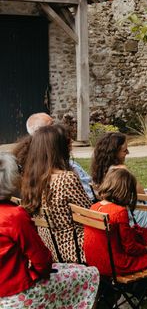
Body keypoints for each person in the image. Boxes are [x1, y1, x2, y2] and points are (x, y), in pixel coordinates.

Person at [0, 152, 100, 308]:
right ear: (10, 179)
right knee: (90, 274)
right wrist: (36, 274)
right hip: (17, 292)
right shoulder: (14, 216)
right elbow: (41, 260)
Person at [85, 167, 147, 297]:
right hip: (115, 264)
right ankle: (136, 293)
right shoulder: (119, 211)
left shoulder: (94, 206)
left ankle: (129, 290)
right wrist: (146, 249)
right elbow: (130, 248)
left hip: (94, 263)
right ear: (126, 191)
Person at [20, 124, 92, 263]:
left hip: (50, 249)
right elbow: (90, 215)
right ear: (59, 149)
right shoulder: (65, 178)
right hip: (76, 250)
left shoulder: (31, 179)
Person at [91, 131, 147, 230]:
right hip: (137, 217)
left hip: (129, 211)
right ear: (114, 152)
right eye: (125, 150)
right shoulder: (121, 171)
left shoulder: (99, 172)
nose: (128, 153)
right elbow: (143, 195)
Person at [14, 113, 94, 200]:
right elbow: (88, 199)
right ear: (46, 135)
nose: (56, 128)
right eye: (52, 125)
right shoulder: (66, 173)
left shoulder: (25, 164)